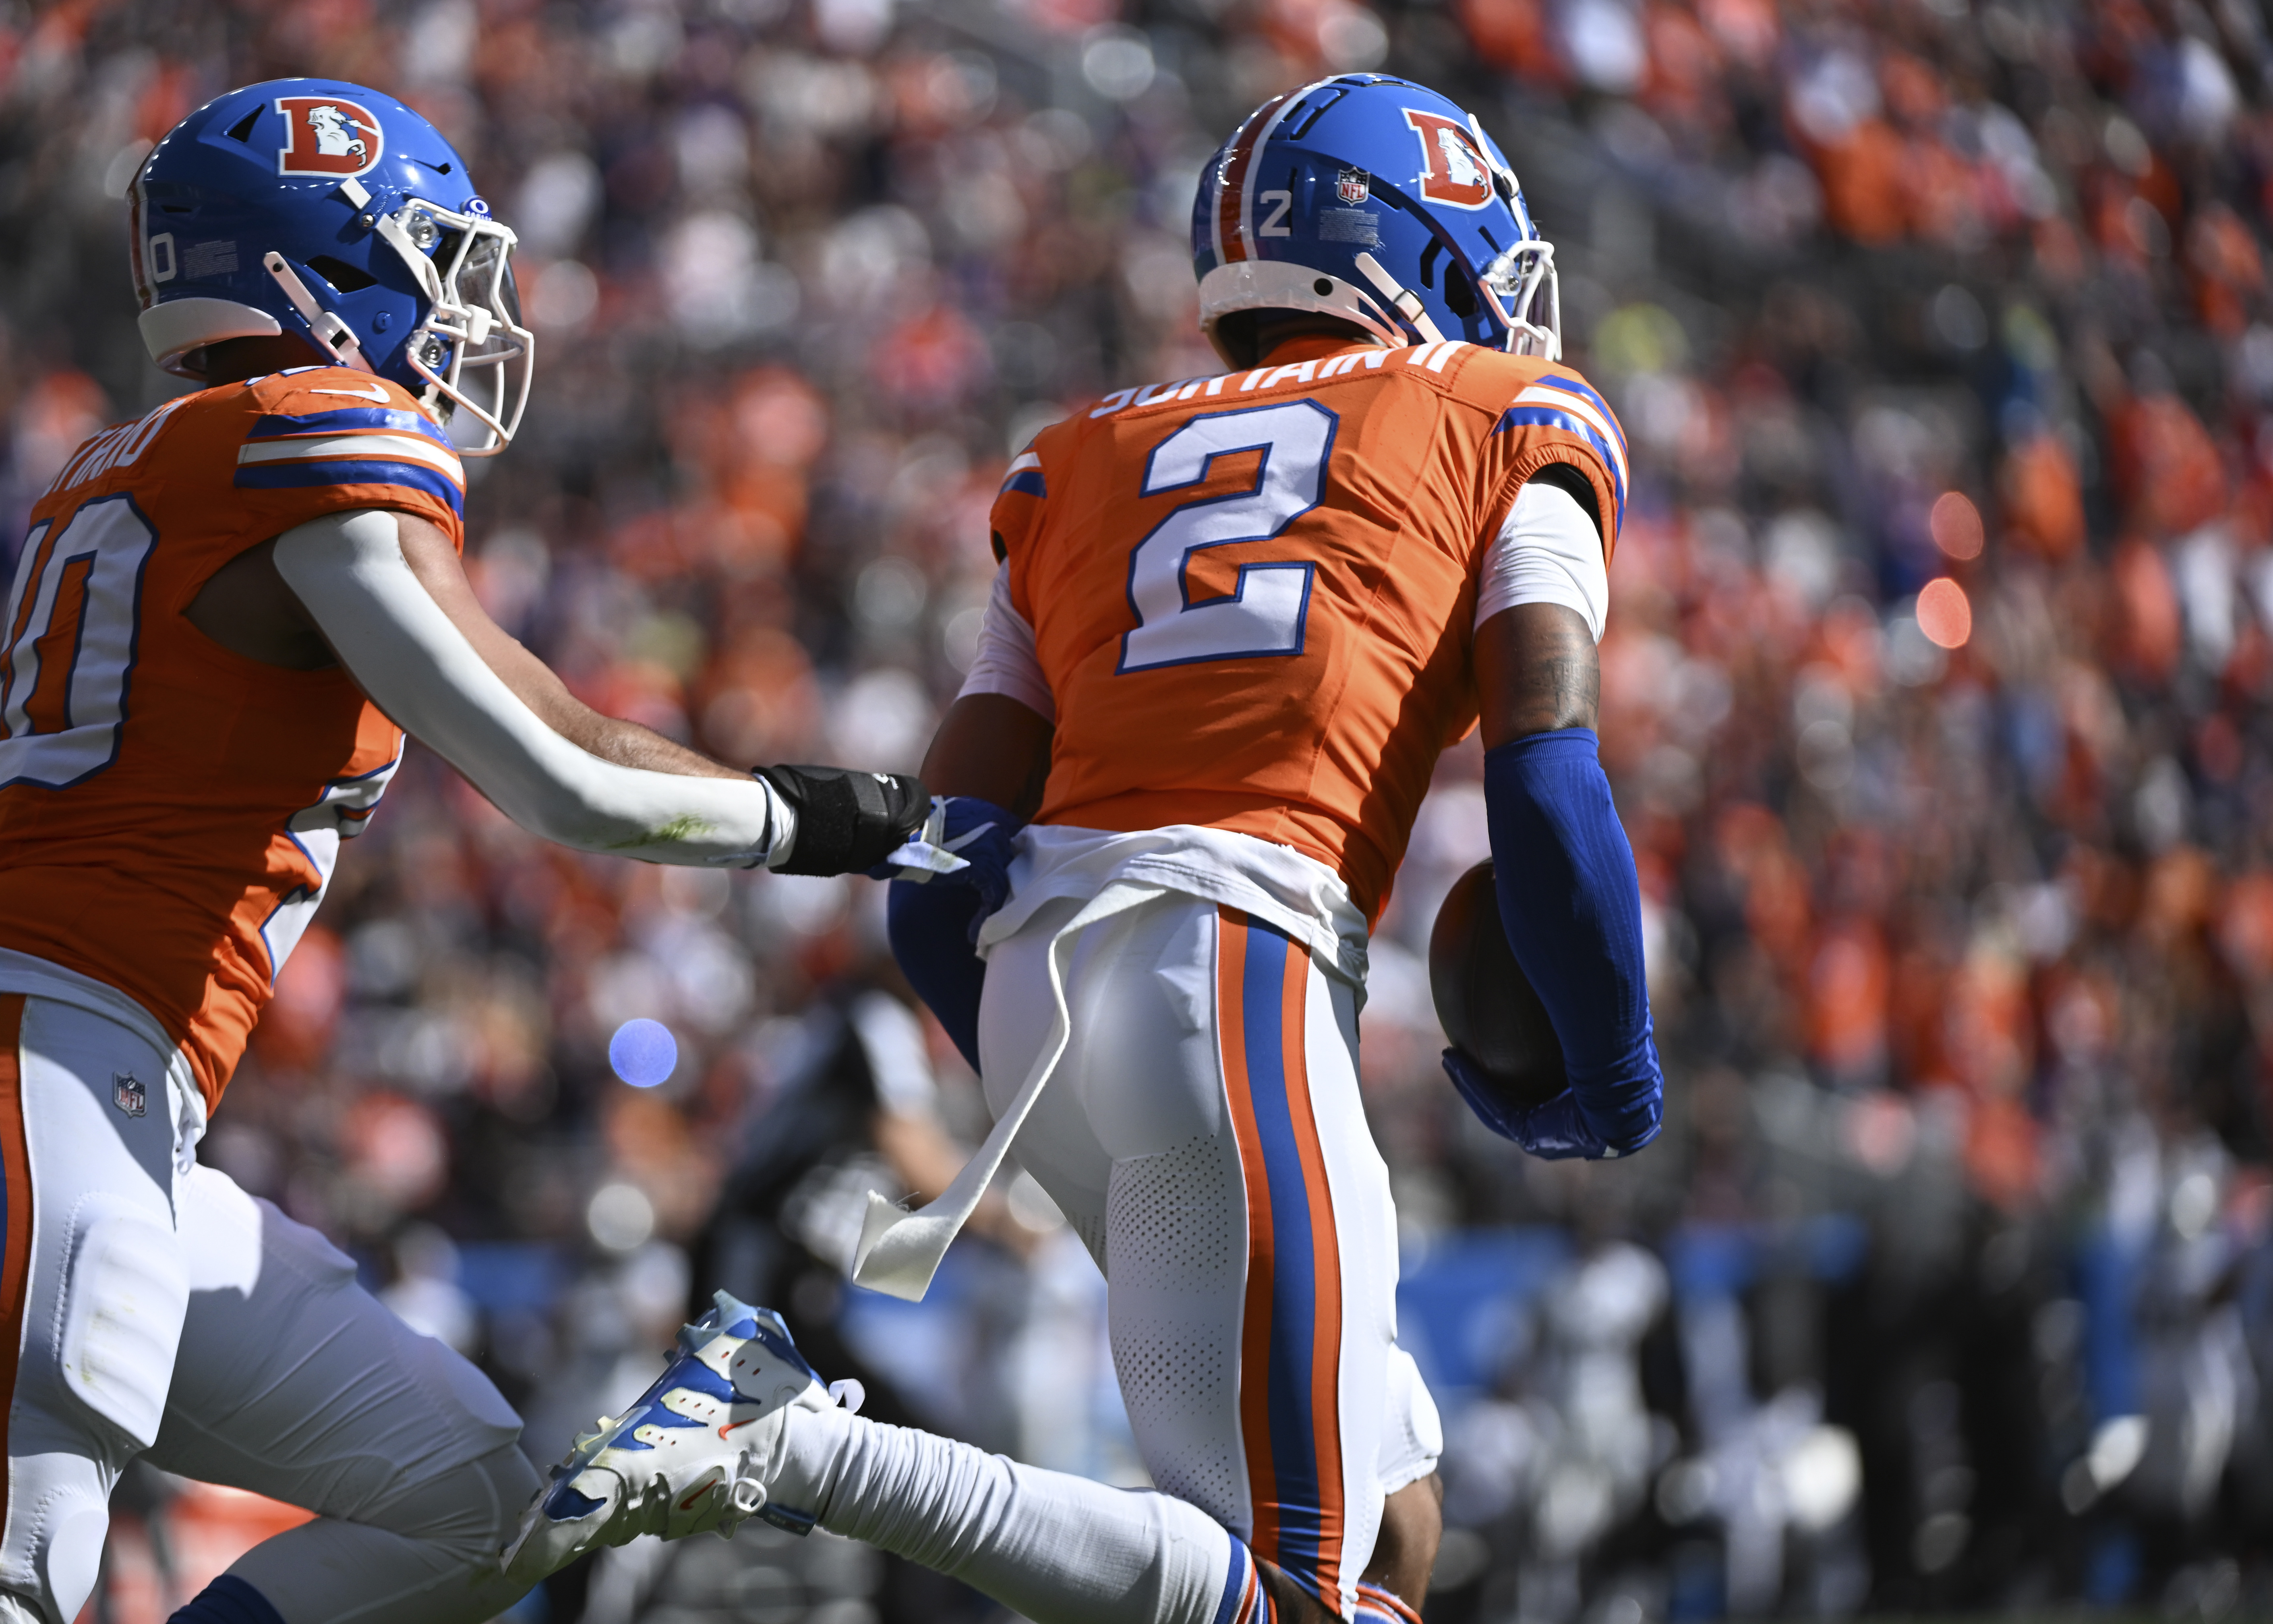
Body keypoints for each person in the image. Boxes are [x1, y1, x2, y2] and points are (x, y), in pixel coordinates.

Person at [502, 72, 1665, 1624]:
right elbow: (1548, 778)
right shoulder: (1507, 416)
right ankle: (791, 1443)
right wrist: (1613, 1069)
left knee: (1394, 1527)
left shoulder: (1076, 462)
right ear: (1418, 241)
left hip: (1040, 989)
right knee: (1299, 1592)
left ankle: (795, 1438)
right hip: (1234, 968)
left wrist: (1030, 1071)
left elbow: (948, 854)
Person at [0, 78, 926, 1624]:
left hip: (109, 1099)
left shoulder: (145, 461)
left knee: (470, 1509)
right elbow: (566, 775)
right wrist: (849, 822)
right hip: (35, 1064)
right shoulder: (310, 429)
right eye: (429, 256)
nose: (457, 306)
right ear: (307, 265)